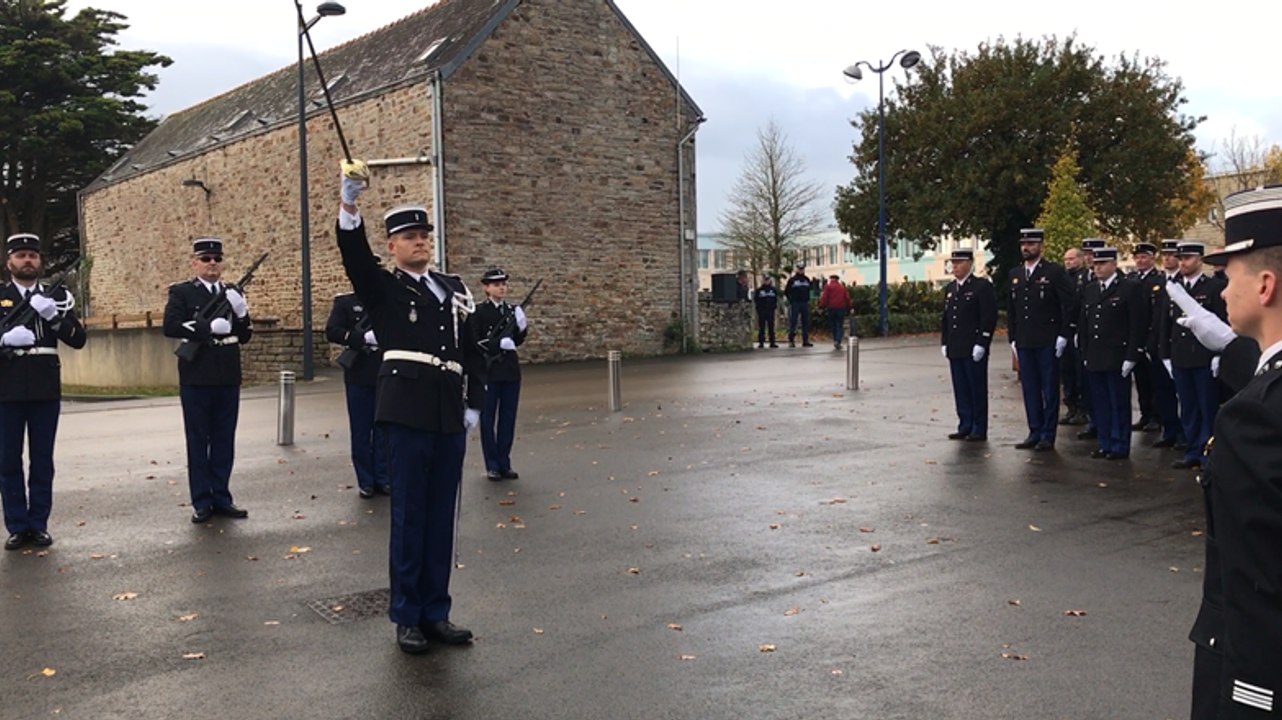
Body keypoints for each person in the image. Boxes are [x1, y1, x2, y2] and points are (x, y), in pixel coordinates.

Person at [334, 159, 483, 653]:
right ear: (392, 246)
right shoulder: (384, 287)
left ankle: (436, 611)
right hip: (405, 410)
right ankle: (407, 615)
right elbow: (354, 257)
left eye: (424, 236)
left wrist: (475, 402)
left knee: (442, 516)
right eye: (409, 237)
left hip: (448, 411)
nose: (420, 242)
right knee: (410, 515)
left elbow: (471, 350)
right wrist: (349, 203)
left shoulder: (453, 289)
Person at [1186, 185, 1282, 719]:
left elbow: (1256, 589)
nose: (1222, 291)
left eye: (1231, 275)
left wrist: (1249, 698)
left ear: (1265, 285)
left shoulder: (1254, 420)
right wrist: (1234, 349)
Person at [0, 233, 86, 551]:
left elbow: (78, 339)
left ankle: (38, 524)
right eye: (20, 255)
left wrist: (53, 317)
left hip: (44, 387)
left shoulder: (57, 297)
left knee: (42, 460)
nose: (27, 260)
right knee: (8, 460)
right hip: (6, 388)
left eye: (32, 255)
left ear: (40, 261)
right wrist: (4, 339)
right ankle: (17, 526)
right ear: (9, 262)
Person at [163, 237, 253, 523]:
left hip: (227, 374)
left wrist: (241, 312)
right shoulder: (182, 292)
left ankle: (222, 497)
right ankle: (201, 501)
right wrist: (206, 328)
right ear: (195, 263)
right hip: (197, 375)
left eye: (217, 259)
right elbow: (170, 326)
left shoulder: (231, 293)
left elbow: (245, 335)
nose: (212, 263)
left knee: (224, 439)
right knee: (198, 440)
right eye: (206, 259)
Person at [1158, 241, 1226, 470]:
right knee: (1188, 407)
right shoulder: (1174, 288)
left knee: (1207, 407)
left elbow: (1222, 322)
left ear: (1199, 260)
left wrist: (1220, 354)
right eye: (1180, 258)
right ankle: (1192, 450)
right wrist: (1165, 355)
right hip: (1180, 356)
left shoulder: (1214, 287)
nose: (1182, 263)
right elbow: (1166, 324)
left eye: (1187, 258)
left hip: (1204, 357)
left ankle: (1209, 453)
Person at [1008, 228, 1075, 451]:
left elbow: (1069, 304)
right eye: (1023, 244)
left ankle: (1048, 434)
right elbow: (1012, 309)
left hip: (1047, 340)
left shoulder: (1053, 272)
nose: (1026, 248)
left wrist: (1064, 334)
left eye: (1031, 244)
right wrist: (1012, 337)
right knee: (1029, 388)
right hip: (1025, 340)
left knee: (1049, 389)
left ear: (1041, 246)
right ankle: (1034, 430)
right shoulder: (1016, 273)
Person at [1077, 247, 1146, 460]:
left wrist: (1132, 355)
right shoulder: (1090, 289)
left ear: (1114, 265)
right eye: (1095, 264)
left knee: (1118, 403)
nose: (1097, 268)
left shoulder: (1129, 288)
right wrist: (1084, 352)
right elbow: (1084, 323)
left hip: (1117, 354)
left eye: (1102, 264)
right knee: (1100, 403)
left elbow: (1137, 324)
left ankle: (1119, 444)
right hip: (1095, 355)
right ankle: (1105, 442)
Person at [325, 292, 389, 499]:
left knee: (383, 429)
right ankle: (366, 481)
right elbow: (332, 331)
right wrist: (361, 338)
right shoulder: (346, 303)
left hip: (385, 373)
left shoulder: (387, 302)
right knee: (361, 431)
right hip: (359, 374)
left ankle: (383, 477)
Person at [470, 266, 528, 482]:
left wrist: (522, 327)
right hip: (489, 373)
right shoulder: (478, 312)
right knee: (487, 420)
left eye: (503, 284)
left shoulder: (511, 311)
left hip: (510, 372)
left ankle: (504, 462)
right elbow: (476, 341)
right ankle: (492, 465)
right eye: (496, 285)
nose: (502, 288)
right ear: (486, 288)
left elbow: (517, 340)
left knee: (507, 419)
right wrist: (496, 344)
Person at [940, 249, 996, 442]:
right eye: (953, 263)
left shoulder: (981, 287)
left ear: (970, 264)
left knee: (976, 388)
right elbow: (946, 318)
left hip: (973, 346)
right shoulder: (950, 288)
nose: (955, 266)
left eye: (959, 263)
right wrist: (945, 341)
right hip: (956, 346)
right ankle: (965, 424)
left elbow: (988, 317)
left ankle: (979, 427)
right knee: (961, 388)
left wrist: (982, 342)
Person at [1149, 239, 1186, 449]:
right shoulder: (1157, 282)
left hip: (1179, 344)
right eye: (1165, 255)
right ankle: (1169, 430)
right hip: (1159, 344)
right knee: (1162, 391)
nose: (1168, 258)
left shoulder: (1184, 281)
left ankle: (1184, 434)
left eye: (1172, 255)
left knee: (1183, 394)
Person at [1126, 242, 1162, 432]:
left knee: (1154, 380)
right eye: (1137, 257)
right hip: (1135, 336)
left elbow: (1156, 314)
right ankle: (1145, 414)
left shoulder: (1158, 280)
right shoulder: (1131, 279)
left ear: (1152, 259)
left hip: (1151, 336)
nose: (1140, 261)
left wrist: (1151, 339)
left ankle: (1156, 416)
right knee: (1140, 380)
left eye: (1143, 257)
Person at [1073, 238, 1105, 441]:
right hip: (1085, 337)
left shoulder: (1114, 279)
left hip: (1105, 341)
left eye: (1093, 254)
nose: (1090, 258)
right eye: (1087, 254)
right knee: (1085, 383)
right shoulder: (1081, 277)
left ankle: (1103, 425)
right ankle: (1092, 420)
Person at [818, 275, 851, 349]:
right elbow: (847, 297)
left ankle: (835, 339)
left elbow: (824, 298)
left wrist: (821, 307)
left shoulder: (828, 287)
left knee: (833, 325)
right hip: (841, 308)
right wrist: (850, 307)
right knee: (839, 325)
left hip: (831, 308)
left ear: (831, 279)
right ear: (837, 279)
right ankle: (838, 341)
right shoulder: (842, 287)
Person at [784, 264, 813, 347]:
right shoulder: (792, 280)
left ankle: (805, 340)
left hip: (804, 303)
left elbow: (810, 290)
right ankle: (791, 340)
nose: (801, 270)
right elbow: (786, 291)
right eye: (799, 269)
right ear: (796, 269)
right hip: (795, 303)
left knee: (805, 322)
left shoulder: (807, 279)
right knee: (793, 322)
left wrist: (808, 300)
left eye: (802, 269)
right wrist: (791, 300)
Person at [753, 275, 778, 349]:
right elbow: (756, 300)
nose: (766, 281)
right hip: (762, 311)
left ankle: (772, 342)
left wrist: (773, 307)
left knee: (771, 327)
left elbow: (775, 299)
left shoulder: (773, 290)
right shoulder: (759, 290)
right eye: (765, 280)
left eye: (767, 280)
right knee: (762, 327)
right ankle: (761, 342)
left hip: (770, 310)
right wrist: (759, 309)